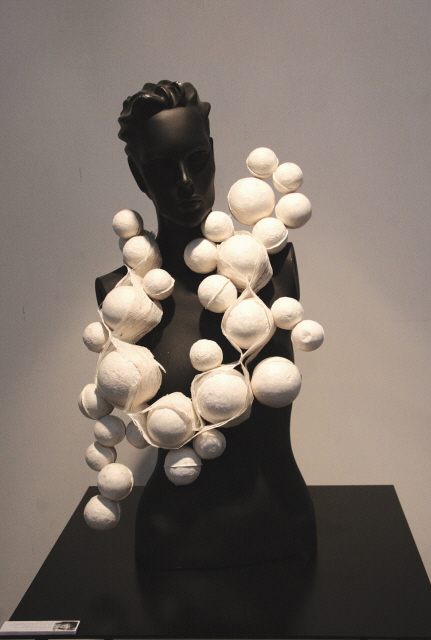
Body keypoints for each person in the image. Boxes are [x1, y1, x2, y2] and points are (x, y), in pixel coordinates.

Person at [96, 80, 317, 569]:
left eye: (197, 159)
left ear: (214, 153)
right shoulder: (123, 300)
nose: (184, 181)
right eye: (161, 166)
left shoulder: (274, 270)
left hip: (279, 525)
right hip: (174, 533)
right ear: (137, 173)